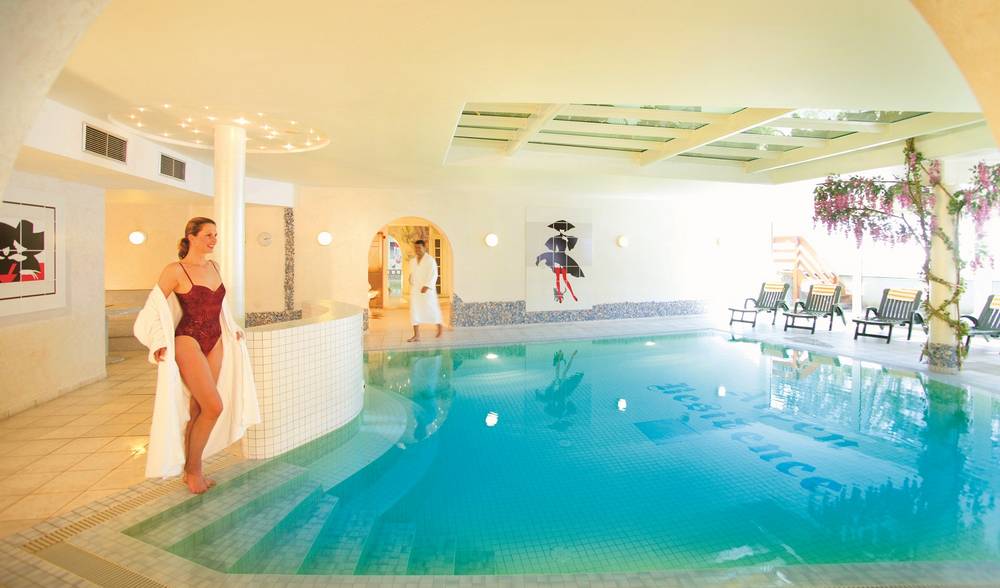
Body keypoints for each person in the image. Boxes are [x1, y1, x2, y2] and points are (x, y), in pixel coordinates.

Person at [133, 217, 260, 494]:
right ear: (191, 237)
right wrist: (158, 341)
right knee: (214, 406)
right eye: (208, 235)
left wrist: (232, 328)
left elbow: (220, 306)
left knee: (199, 409)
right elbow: (153, 308)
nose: (214, 240)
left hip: (216, 340)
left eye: (215, 235)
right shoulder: (175, 270)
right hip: (188, 339)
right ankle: (194, 471)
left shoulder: (214, 267)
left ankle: (192, 468)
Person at [406, 239, 443, 342]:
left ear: (424, 248)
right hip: (415, 290)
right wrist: (410, 279)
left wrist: (427, 286)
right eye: (415, 248)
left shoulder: (430, 260)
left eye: (419, 248)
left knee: (432, 309)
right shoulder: (413, 261)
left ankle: (439, 326)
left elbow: (434, 274)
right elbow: (411, 274)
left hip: (427, 291)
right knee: (414, 311)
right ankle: (416, 335)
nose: (417, 250)